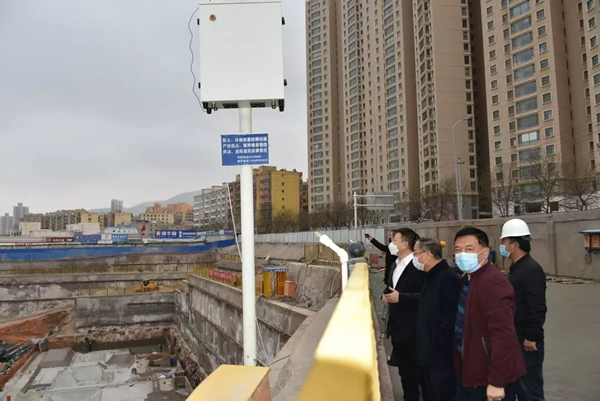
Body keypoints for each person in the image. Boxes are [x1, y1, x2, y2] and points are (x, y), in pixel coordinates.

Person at [453, 227, 525, 401]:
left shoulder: (492, 282)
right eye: (458, 250)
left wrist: (497, 381)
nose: (462, 254)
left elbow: (503, 335)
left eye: (469, 249)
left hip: (487, 379)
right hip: (469, 371)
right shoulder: (468, 279)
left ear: (485, 252)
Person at [500, 219, 547, 401]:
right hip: (515, 338)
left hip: (526, 342)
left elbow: (537, 306)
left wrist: (531, 337)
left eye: (505, 241)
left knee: (529, 391)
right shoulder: (517, 268)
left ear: (515, 245)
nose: (503, 245)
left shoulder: (531, 269)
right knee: (515, 387)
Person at [414, 237, 461, 401]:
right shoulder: (429, 277)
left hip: (440, 356)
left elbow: (451, 316)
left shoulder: (448, 278)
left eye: (416, 254)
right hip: (428, 354)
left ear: (427, 255)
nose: (415, 258)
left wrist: (435, 341)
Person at [382, 228, 426, 401]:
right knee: (405, 373)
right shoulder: (395, 264)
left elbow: (425, 296)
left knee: (417, 374)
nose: (391, 244)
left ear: (405, 244)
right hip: (398, 329)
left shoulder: (418, 265)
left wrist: (401, 298)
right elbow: (393, 289)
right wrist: (386, 297)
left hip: (414, 329)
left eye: (394, 240)